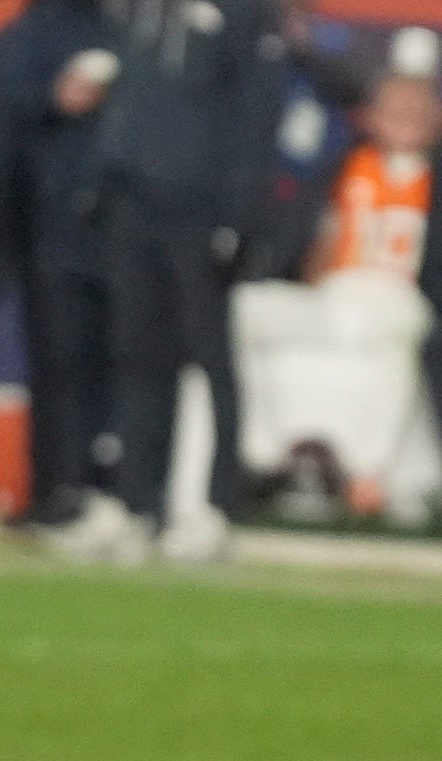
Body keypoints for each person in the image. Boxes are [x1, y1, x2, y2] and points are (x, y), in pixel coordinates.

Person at [56, 0, 289, 564]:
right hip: (134, 201)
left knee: (209, 361)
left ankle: (213, 508)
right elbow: (129, 96)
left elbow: (257, 111)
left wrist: (238, 213)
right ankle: (137, 504)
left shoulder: (244, 14)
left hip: (199, 206)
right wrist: (101, 178)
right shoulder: (140, 11)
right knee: (136, 358)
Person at [235, 66, 442, 524]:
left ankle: (369, 472)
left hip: (398, 296)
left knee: (395, 339)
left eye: (417, 109)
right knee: (244, 310)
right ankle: (261, 453)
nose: (405, 119)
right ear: (371, 116)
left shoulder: (432, 179)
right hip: (335, 295)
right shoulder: (343, 168)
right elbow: (298, 238)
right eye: (395, 108)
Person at [0, 0, 118, 528]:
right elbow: (5, 111)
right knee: (57, 363)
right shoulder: (37, 28)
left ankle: (117, 489)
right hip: (54, 223)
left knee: (124, 364)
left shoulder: (139, 24)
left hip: (125, 219)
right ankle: (56, 488)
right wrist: (53, 97)